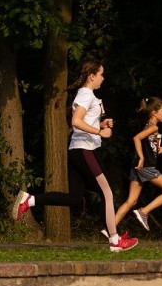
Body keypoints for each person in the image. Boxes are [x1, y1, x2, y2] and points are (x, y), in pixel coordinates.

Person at [13, 58, 138, 252]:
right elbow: (76, 121)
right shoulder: (86, 95)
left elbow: (84, 122)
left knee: (74, 198)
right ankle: (114, 240)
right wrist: (99, 132)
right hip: (85, 150)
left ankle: (29, 200)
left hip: (78, 149)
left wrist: (101, 125)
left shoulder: (88, 96)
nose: (103, 78)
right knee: (107, 193)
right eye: (101, 74)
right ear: (92, 76)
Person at [114, 96, 162, 232]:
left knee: (131, 201)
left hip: (138, 167)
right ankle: (144, 212)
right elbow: (136, 138)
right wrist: (141, 157)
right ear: (154, 112)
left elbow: (156, 151)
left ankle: (110, 228)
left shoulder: (151, 127)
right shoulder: (152, 128)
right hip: (146, 167)